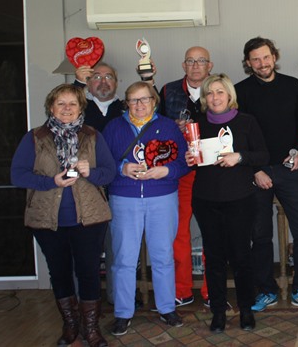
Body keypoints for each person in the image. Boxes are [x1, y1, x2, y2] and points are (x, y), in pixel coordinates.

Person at [10, 84, 115, 347]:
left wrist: (90, 172)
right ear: (51, 107)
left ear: (81, 108)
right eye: (61, 103)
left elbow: (109, 172)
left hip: (89, 218)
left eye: (73, 104)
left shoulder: (93, 136)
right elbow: (18, 175)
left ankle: (91, 329)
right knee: (59, 272)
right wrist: (51, 181)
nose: (67, 109)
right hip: (47, 220)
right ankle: (70, 326)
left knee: (89, 272)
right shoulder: (33, 138)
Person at [235, 36, 298, 312]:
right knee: (259, 235)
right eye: (255, 59)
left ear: (274, 56)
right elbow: (239, 137)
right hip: (256, 172)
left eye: (266, 57)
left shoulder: (293, 85)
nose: (262, 63)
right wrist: (255, 169)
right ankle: (267, 291)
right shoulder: (240, 91)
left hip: (289, 168)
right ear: (248, 63)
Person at [102, 82, 190, 336]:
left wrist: (166, 171)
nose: (139, 105)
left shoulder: (169, 126)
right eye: (133, 100)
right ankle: (122, 312)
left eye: (144, 99)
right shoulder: (114, 127)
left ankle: (166, 307)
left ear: (154, 101)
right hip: (124, 198)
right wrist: (121, 169)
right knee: (124, 259)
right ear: (126, 103)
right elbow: (103, 162)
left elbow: (184, 163)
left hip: (162, 197)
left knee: (163, 256)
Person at [187, 73, 269, 333]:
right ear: (205, 97)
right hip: (206, 200)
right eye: (210, 93)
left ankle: (246, 309)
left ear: (229, 95)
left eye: (220, 92)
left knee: (242, 257)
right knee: (214, 258)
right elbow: (191, 160)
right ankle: (219, 312)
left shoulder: (247, 122)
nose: (215, 97)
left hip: (240, 200)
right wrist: (190, 156)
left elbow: (263, 154)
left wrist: (240, 157)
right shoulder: (196, 124)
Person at [159, 46, 214, 308]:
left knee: (212, 232)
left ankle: (211, 289)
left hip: (211, 172)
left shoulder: (218, 89)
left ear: (209, 65)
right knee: (177, 233)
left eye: (201, 61)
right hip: (179, 172)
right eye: (190, 61)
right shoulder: (168, 91)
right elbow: (154, 127)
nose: (195, 66)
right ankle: (181, 289)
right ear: (183, 65)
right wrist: (173, 129)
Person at [74, 62, 124, 307]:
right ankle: (84, 302)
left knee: (117, 249)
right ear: (88, 83)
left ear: (116, 82)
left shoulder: (126, 108)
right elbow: (62, 105)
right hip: (85, 189)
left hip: (119, 188)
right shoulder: (78, 108)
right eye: (96, 77)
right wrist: (77, 84)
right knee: (85, 252)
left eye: (109, 76)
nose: (103, 82)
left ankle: (118, 299)